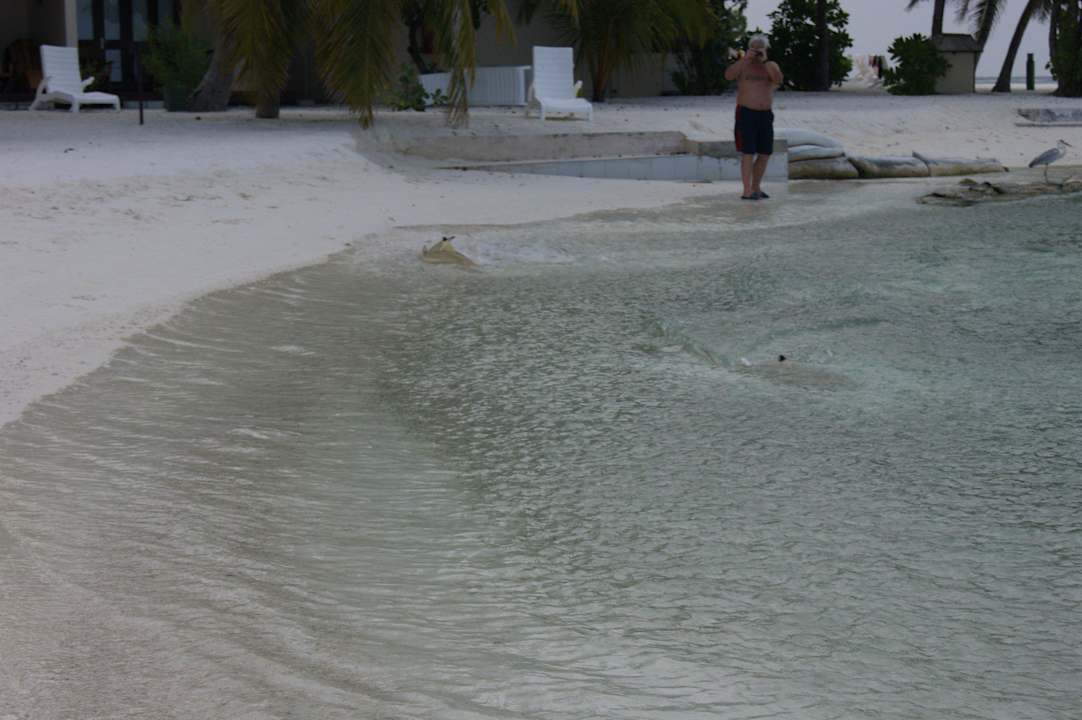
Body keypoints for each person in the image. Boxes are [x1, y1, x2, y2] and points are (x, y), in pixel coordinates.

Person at [724, 35, 783, 200]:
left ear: (766, 49)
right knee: (748, 152)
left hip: (765, 114)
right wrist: (745, 59)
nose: (757, 51)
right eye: (754, 48)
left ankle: (756, 187)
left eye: (760, 48)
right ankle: (747, 190)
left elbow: (778, 79)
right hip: (746, 113)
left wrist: (765, 61)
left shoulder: (770, 65)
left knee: (765, 152)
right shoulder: (743, 65)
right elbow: (728, 75)